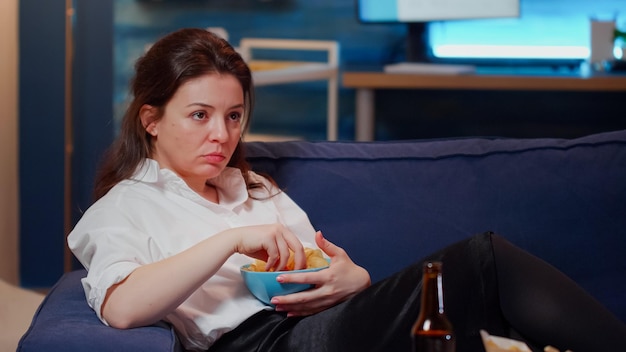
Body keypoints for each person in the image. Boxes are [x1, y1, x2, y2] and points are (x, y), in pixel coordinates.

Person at [68, 28, 626, 352]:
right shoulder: (123, 207)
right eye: (199, 115)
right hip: (260, 347)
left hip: (316, 328)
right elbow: (121, 310)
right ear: (151, 119)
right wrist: (230, 241)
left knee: (475, 316)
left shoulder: (253, 187)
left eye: (234, 115)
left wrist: (352, 277)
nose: (222, 134)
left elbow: (322, 268)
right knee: (485, 261)